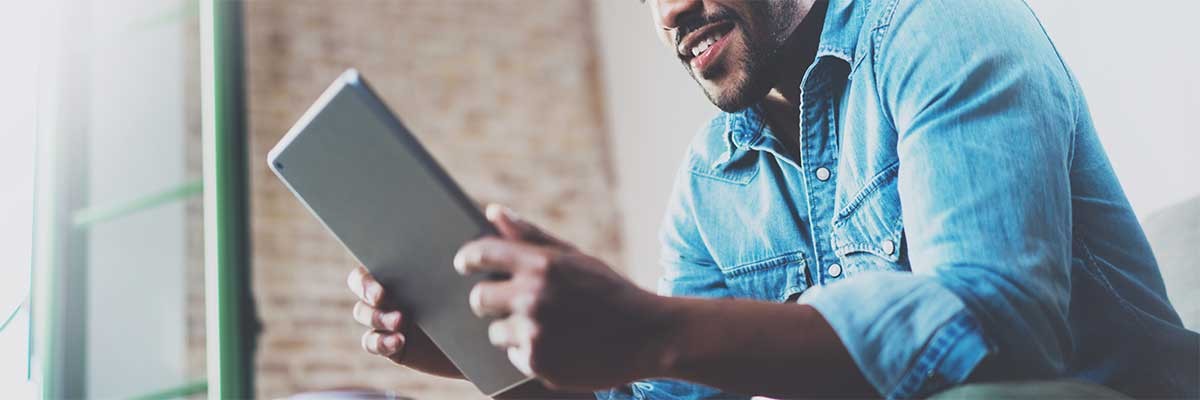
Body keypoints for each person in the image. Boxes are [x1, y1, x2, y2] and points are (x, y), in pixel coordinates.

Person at [346, 0, 1198, 398]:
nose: (673, 8)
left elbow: (997, 334)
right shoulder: (710, 182)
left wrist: (652, 327)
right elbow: (665, 392)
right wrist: (476, 348)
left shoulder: (942, 28)